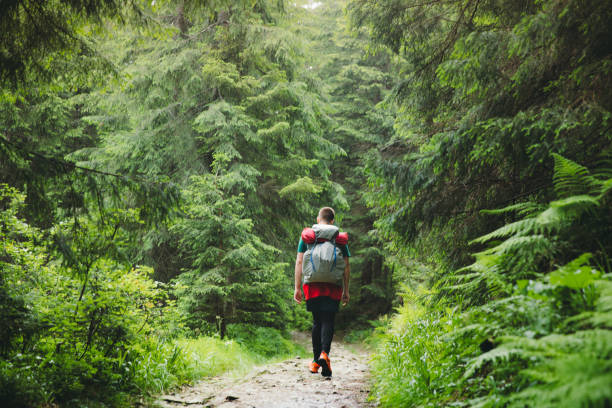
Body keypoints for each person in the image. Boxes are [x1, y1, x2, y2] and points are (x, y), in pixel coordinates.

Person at [294, 207, 350, 378]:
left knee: (317, 321)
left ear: (318, 219)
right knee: (328, 320)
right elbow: (346, 266)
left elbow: (299, 261)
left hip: (312, 284)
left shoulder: (308, 236)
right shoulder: (339, 238)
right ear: (332, 221)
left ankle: (315, 362)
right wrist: (346, 290)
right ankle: (324, 354)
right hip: (333, 285)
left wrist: (297, 287)